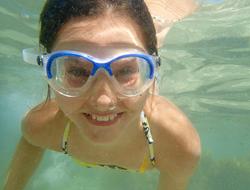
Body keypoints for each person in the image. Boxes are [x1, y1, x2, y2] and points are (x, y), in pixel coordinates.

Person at [4, 0, 201, 190]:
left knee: (156, 27)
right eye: (77, 71)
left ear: (153, 72)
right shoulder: (40, 127)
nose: (103, 102)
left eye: (125, 71)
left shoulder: (177, 145)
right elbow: (30, 142)